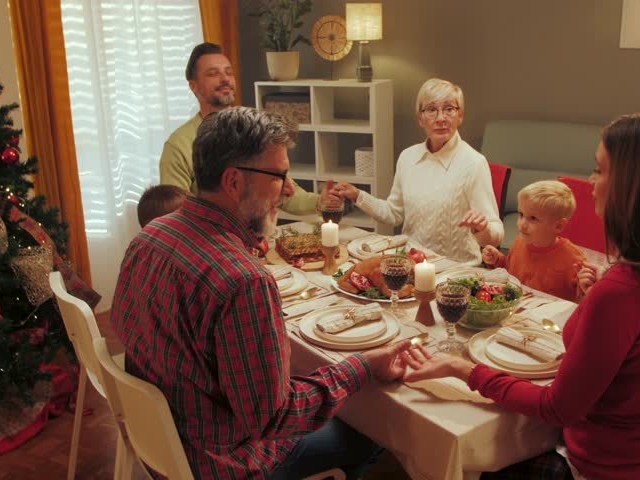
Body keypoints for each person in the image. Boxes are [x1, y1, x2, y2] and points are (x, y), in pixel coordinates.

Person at [401, 113, 640, 480]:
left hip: (613, 468)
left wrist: (464, 369)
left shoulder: (621, 292)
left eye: (600, 170)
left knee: (464, 454)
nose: (591, 181)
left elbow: (557, 408)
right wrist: (592, 294)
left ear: (637, 188)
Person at [113, 106, 410, 480]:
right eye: (279, 176)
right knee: (377, 427)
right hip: (226, 463)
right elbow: (276, 418)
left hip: (164, 446)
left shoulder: (149, 237)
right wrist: (361, 367)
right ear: (234, 181)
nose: (287, 190)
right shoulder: (243, 281)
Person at [333, 78, 503, 264]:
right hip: (410, 264)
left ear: (460, 115)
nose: (441, 118)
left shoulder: (474, 163)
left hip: (455, 272)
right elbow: (393, 213)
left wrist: (483, 229)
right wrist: (358, 196)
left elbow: (496, 233)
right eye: (431, 110)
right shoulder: (408, 157)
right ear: (420, 118)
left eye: (449, 109)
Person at [159, 42, 338, 214]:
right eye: (213, 74)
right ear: (193, 86)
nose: (225, 79)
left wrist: (319, 201)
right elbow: (175, 212)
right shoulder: (178, 146)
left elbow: (282, 187)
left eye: (229, 72)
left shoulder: (253, 130)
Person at [481, 180, 586, 302]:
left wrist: (586, 284)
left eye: (533, 218)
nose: (522, 224)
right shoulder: (519, 242)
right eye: (521, 214)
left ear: (559, 226)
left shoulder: (574, 259)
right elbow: (510, 273)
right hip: (517, 311)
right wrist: (497, 260)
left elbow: (586, 298)